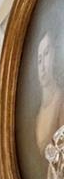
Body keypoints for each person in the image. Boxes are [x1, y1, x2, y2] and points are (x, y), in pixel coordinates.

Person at [35, 29, 64, 158]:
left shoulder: (61, 101)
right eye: (39, 60)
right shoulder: (36, 114)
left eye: (46, 53)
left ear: (54, 55)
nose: (42, 66)